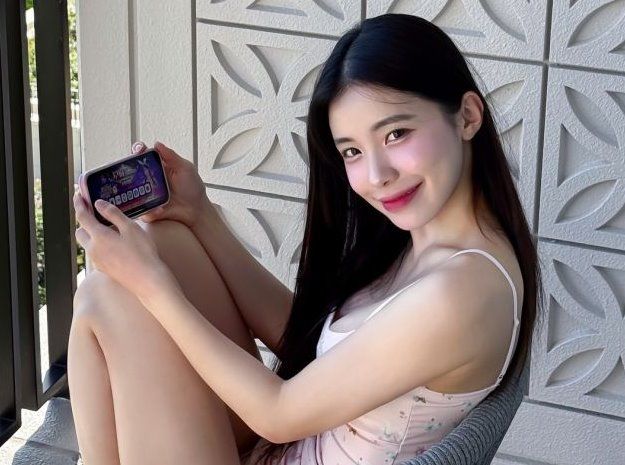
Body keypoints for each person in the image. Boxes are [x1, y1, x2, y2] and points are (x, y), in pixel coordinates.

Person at [70, 13, 542, 465]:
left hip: (278, 429)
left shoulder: (462, 293)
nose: (377, 175)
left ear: (467, 116)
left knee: (115, 293)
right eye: (352, 151)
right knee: (162, 244)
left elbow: (277, 414)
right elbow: (311, 345)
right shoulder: (424, 240)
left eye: (396, 134)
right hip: (279, 448)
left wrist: (154, 288)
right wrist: (201, 215)